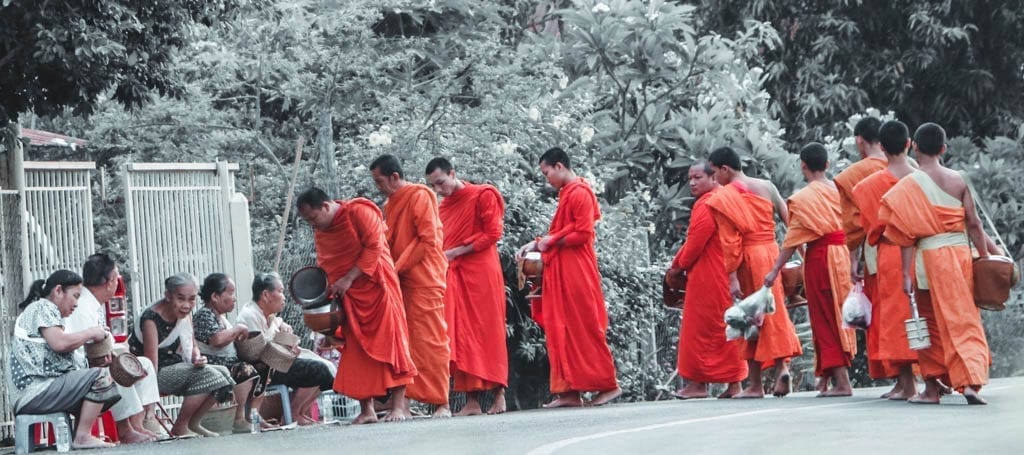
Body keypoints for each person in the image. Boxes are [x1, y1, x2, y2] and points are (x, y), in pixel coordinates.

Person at [877, 123, 994, 405]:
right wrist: (986, 257)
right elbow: (975, 224)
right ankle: (970, 382)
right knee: (964, 318)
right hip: (958, 256)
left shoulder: (908, 186)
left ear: (914, 146)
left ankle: (931, 389)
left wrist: (905, 274)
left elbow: (905, 236)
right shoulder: (959, 180)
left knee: (927, 321)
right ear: (943, 149)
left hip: (926, 259)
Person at [296, 187, 417, 424]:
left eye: (313, 217)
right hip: (347, 296)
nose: (313, 224)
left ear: (326, 206)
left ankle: (399, 407)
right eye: (308, 221)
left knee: (392, 344)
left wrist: (348, 279)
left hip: (377, 287)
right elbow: (326, 262)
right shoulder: (323, 229)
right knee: (355, 350)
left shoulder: (359, 211)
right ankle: (367, 409)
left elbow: (375, 248)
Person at [515, 147, 621, 408]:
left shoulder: (580, 193)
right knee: (559, 327)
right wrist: (538, 243)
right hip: (561, 270)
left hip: (576, 271)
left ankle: (608, 385)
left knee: (582, 326)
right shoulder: (568, 194)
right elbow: (563, 232)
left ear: (560, 166)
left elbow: (583, 233)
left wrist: (547, 241)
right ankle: (568, 392)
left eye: (547, 172)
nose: (546, 178)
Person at [705, 146, 802, 398]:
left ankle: (756, 384)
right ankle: (781, 367)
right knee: (773, 311)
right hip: (771, 253)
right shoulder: (767, 186)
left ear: (725, 169)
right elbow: (791, 222)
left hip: (747, 257)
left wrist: (732, 276)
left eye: (715, 174)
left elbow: (730, 241)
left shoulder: (724, 197)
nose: (715, 180)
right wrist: (792, 256)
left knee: (749, 316)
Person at [764, 143, 857, 397]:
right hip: (844, 255)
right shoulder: (841, 190)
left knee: (826, 318)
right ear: (827, 165)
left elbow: (792, 241)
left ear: (803, 165)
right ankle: (827, 378)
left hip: (821, 257)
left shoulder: (803, 198)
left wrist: (774, 270)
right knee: (835, 316)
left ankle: (842, 383)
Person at [425, 157, 509, 416]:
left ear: (452, 173)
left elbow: (493, 234)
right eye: (433, 186)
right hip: (455, 275)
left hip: (482, 272)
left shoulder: (483, 194)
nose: (439, 190)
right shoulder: (444, 207)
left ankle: (499, 395)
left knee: (488, 330)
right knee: (459, 334)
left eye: (441, 182)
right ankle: (471, 401)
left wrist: (457, 252)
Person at [370, 154, 452, 418]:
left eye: (380, 181)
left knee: (431, 340)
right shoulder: (389, 204)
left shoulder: (421, 195)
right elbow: (389, 240)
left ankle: (442, 402)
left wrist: (396, 268)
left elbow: (427, 240)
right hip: (399, 283)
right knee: (403, 343)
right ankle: (403, 402)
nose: (378, 186)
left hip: (424, 279)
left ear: (394, 177)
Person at [9, 270, 121, 450]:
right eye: (75, 296)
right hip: (34, 391)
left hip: (37, 391)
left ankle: (80, 436)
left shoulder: (50, 314)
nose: (76, 303)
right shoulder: (42, 307)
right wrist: (92, 332)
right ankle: (82, 437)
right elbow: (59, 344)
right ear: (58, 291)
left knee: (101, 384)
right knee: (100, 377)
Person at [666, 162, 747, 399]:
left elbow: (695, 242)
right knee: (726, 326)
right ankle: (735, 384)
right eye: (690, 178)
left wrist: (677, 268)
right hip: (725, 270)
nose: (692, 182)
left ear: (713, 178)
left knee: (699, 328)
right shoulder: (726, 198)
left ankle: (698, 384)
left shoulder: (710, 202)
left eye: (698, 177)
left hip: (708, 274)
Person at [63, 253, 162, 443]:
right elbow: (87, 352)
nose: (117, 282)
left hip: (91, 364)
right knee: (116, 369)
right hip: (80, 370)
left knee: (144, 365)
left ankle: (138, 425)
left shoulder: (92, 303)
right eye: (116, 278)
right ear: (109, 282)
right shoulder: (83, 306)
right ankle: (125, 430)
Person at [853, 120, 921, 400]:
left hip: (891, 253)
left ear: (881, 147)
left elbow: (872, 229)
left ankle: (908, 383)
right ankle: (927, 380)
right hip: (923, 251)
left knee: (896, 318)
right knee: (923, 314)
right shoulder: (923, 178)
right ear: (908, 144)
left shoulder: (867, 186)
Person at [128, 273, 235, 437]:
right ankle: (180, 426)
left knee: (224, 373)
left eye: (191, 299)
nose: (186, 305)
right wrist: (150, 407)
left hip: (176, 367)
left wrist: (198, 358)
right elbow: (151, 365)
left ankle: (194, 423)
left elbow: (192, 346)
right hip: (151, 375)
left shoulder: (185, 315)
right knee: (209, 375)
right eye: (181, 298)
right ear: (168, 296)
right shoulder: (151, 319)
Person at [833, 116, 891, 388]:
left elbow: (853, 221)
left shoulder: (852, 176)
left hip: (874, 247)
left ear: (859, 140)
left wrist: (853, 257)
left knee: (882, 309)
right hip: (911, 247)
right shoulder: (906, 166)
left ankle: (896, 375)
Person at [236, 272, 336, 424]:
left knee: (327, 369)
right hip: (266, 367)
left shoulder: (268, 315)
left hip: (278, 362)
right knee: (318, 370)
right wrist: (285, 341)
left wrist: (283, 329)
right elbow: (261, 351)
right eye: (280, 291)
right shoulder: (250, 314)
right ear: (265, 295)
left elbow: (276, 330)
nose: (284, 297)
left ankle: (300, 412)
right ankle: (294, 413)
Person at [192, 273, 264, 433]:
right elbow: (216, 340)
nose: (234, 298)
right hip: (212, 365)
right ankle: (238, 418)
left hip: (226, 363)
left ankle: (253, 415)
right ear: (215, 296)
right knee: (245, 370)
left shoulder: (221, 318)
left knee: (263, 366)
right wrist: (238, 328)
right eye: (230, 293)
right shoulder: (205, 314)